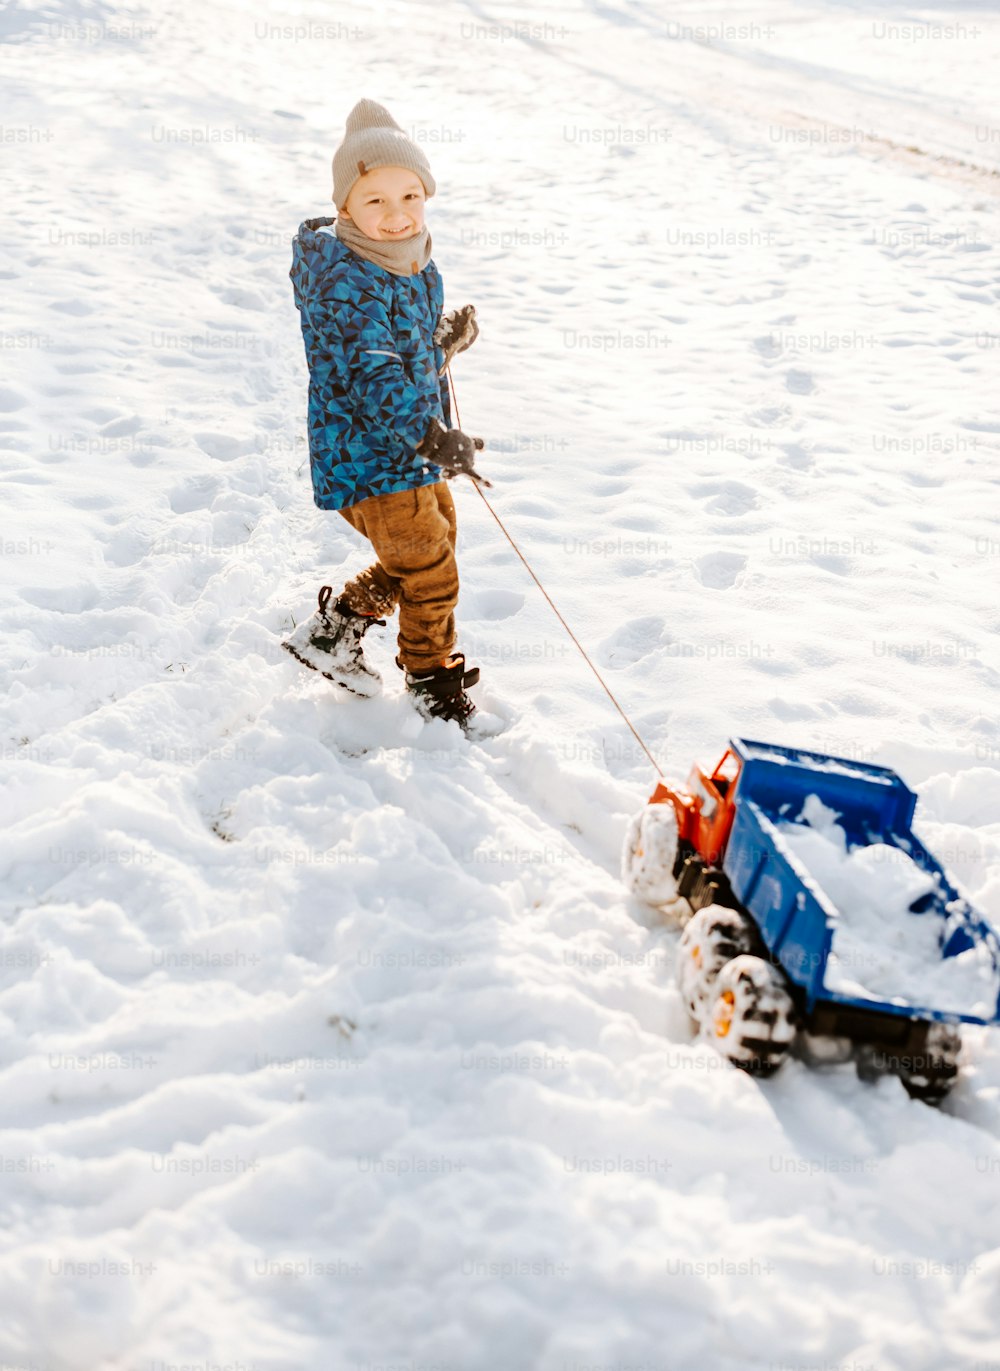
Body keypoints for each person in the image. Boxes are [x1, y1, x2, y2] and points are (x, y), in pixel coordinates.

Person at [285, 98, 483, 726]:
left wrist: (441, 343)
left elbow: (402, 351)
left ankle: (336, 629)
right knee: (430, 571)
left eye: (410, 197)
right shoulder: (347, 279)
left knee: (431, 545)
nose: (396, 215)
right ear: (345, 207)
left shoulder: (414, 263)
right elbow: (372, 374)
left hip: (404, 449)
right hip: (369, 454)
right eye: (375, 201)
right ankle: (431, 681)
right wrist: (432, 435)